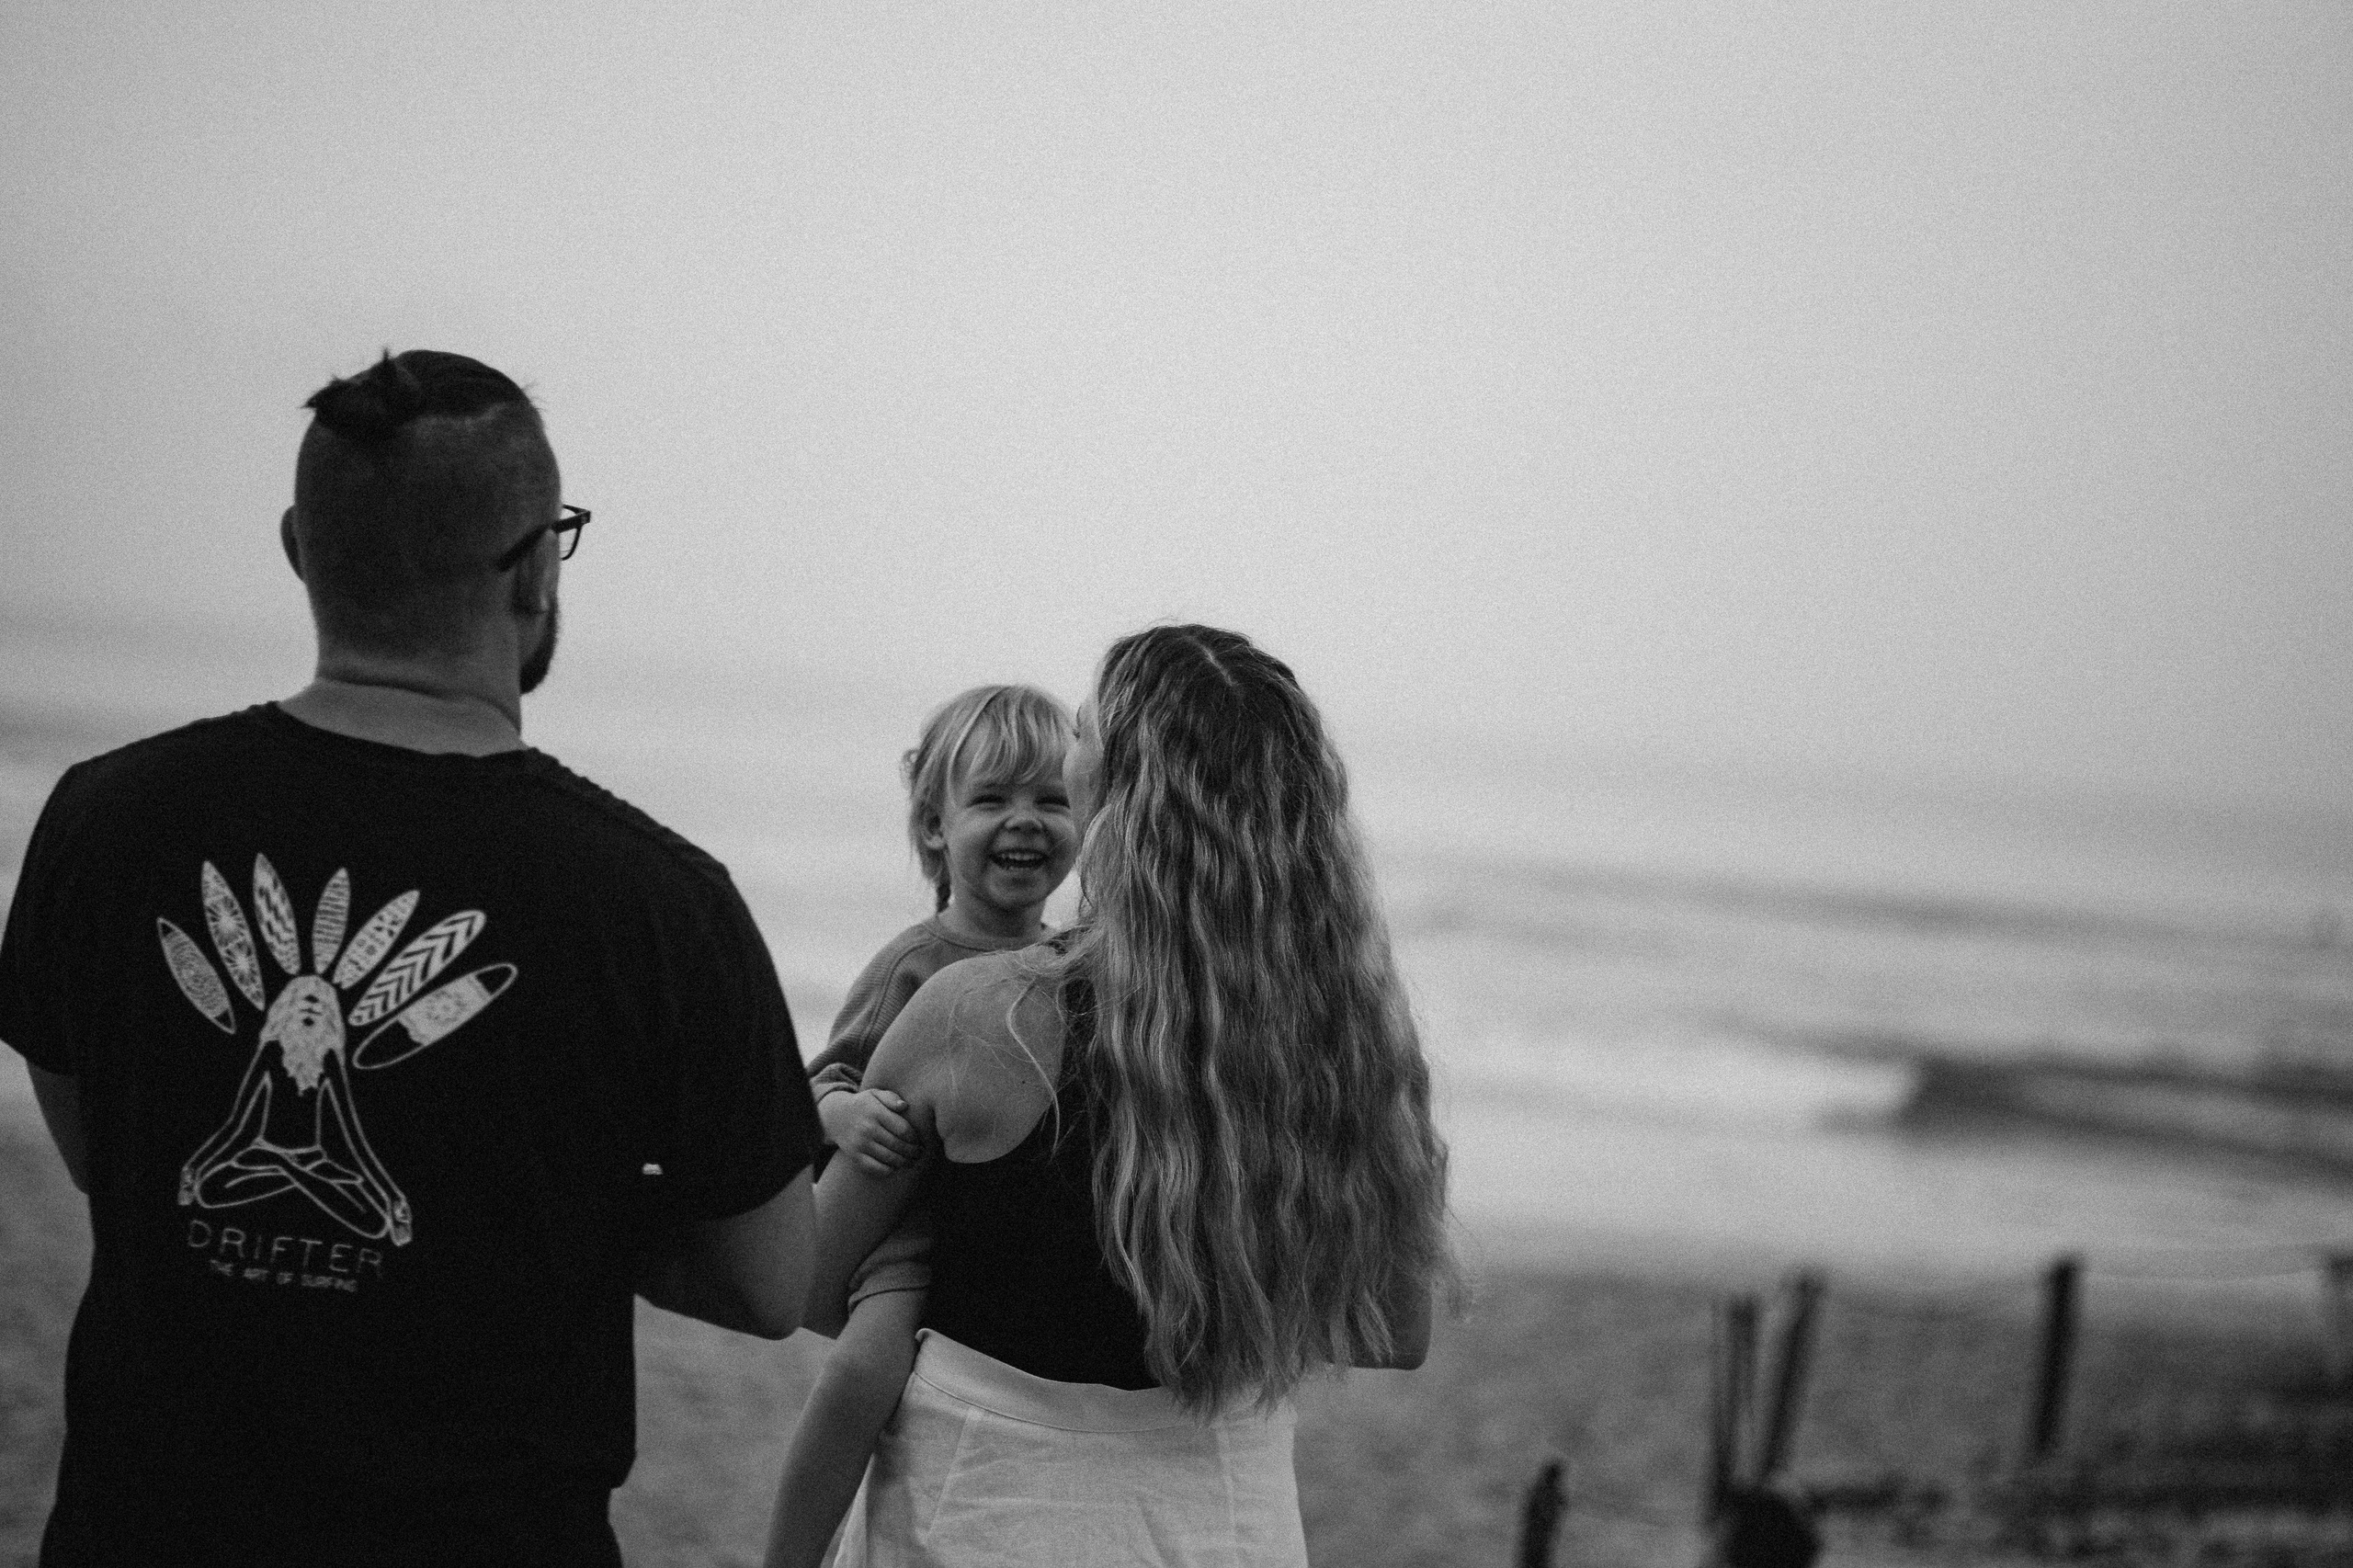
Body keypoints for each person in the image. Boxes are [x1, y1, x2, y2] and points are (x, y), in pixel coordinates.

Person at [0, 349, 823, 1567]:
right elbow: (766, 1282)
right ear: (538, 565)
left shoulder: (103, 817)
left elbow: (104, 1151)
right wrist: (551, 1208)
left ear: (299, 545)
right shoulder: (658, 904)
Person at [801, 623, 1455, 1567]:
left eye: (1079, 730)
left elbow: (809, 1280)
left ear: (1111, 788)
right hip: (1224, 1520)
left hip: (987, 1511)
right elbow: (1393, 1327)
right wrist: (1215, 1285)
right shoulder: (1349, 1041)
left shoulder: (980, 1015)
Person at [767, 683, 1076, 1568]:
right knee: (864, 1373)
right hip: (909, 1235)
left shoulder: (1073, 960)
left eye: (1051, 800)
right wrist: (844, 1113)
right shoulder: (916, 963)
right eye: (991, 800)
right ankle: (789, 1552)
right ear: (936, 828)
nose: (1025, 822)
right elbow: (814, 1084)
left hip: (1010, 1216)